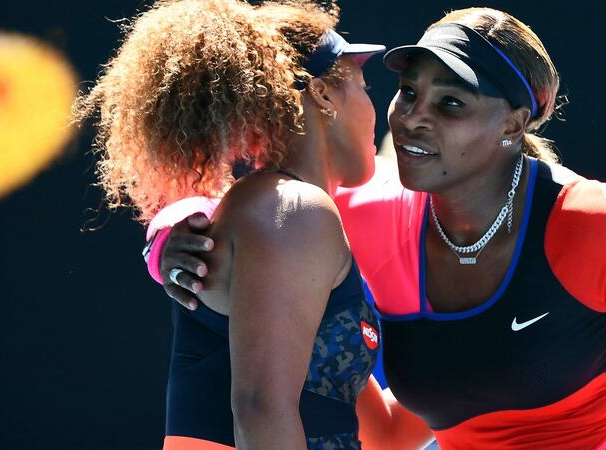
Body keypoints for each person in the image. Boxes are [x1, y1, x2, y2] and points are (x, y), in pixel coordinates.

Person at [148, 6, 606, 450]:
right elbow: (261, 221)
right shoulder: (359, 217)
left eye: (450, 103)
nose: (411, 118)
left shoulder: (593, 224)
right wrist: (172, 235)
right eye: (408, 93)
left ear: (513, 127)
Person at [71, 1, 435, 449]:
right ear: (322, 95)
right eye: (362, 83)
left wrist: (492, 356)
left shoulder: (285, 214)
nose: (374, 107)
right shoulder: (292, 212)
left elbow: (386, 434)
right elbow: (260, 410)